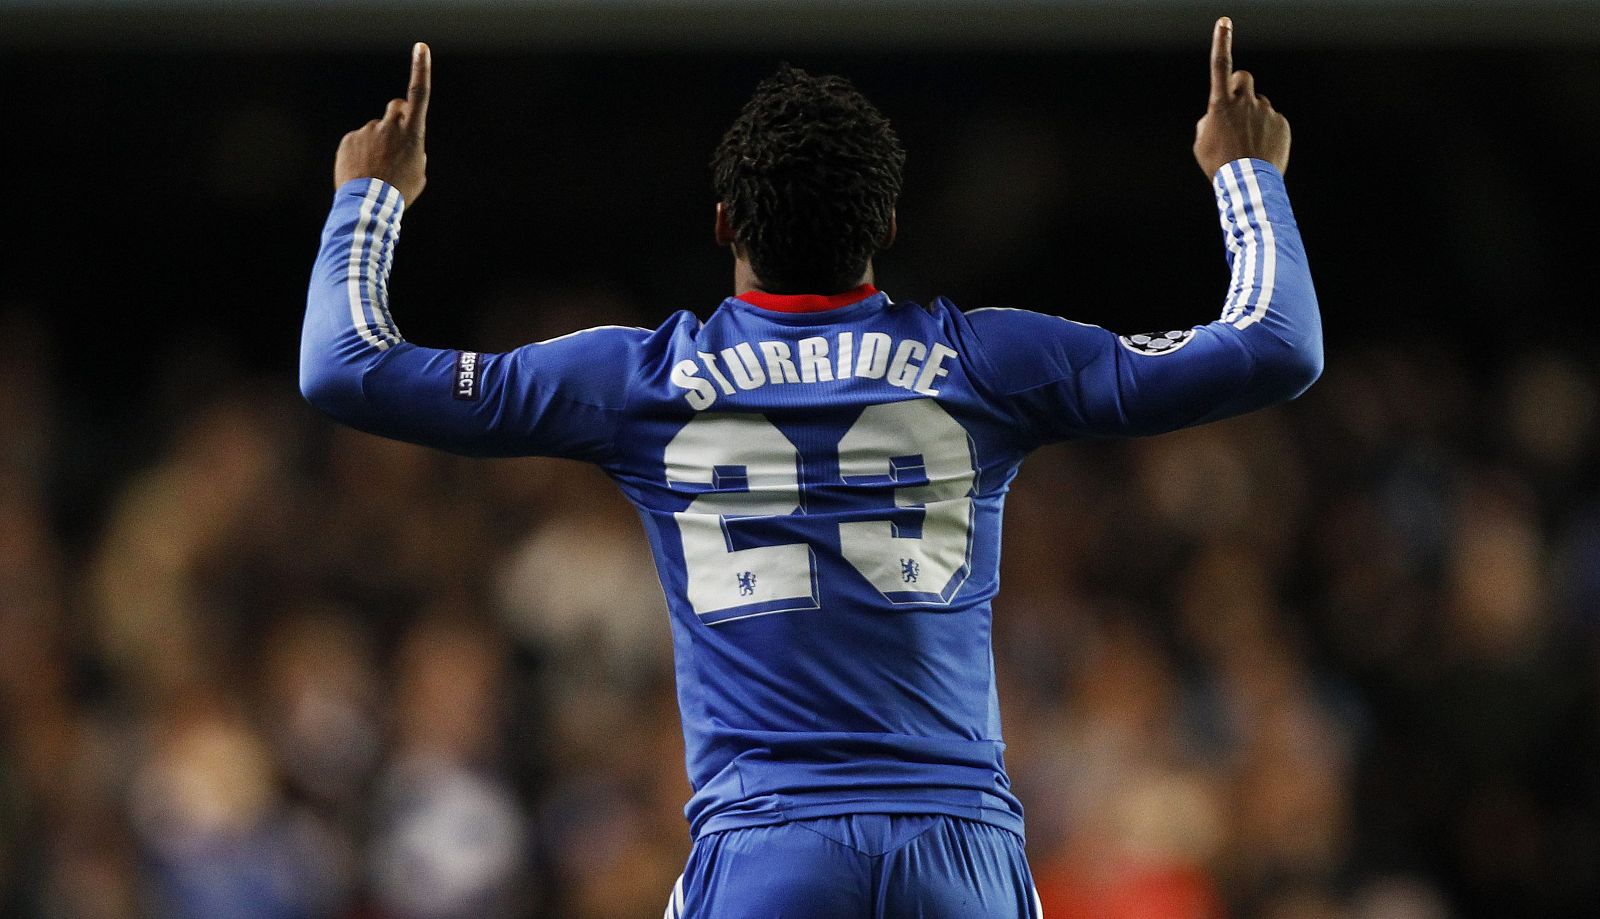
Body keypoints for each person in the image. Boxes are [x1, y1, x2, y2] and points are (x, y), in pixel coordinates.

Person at [300, 18, 1319, 918]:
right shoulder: (988, 363)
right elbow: (1275, 345)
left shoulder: (641, 381)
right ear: (886, 227)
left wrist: (369, 198)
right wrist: (1246, 172)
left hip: (766, 849)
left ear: (724, 224)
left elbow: (346, 367)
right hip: (958, 854)